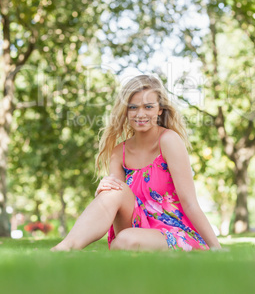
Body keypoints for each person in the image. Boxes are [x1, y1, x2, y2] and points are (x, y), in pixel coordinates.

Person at [51, 75, 221, 251]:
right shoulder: (119, 153)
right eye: (133, 107)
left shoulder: (169, 141)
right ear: (126, 111)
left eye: (148, 107)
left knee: (125, 240)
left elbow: (190, 203)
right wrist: (102, 191)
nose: (140, 114)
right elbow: (115, 204)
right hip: (135, 228)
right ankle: (65, 248)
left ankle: (123, 247)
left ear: (160, 109)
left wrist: (216, 247)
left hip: (176, 232)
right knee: (114, 190)